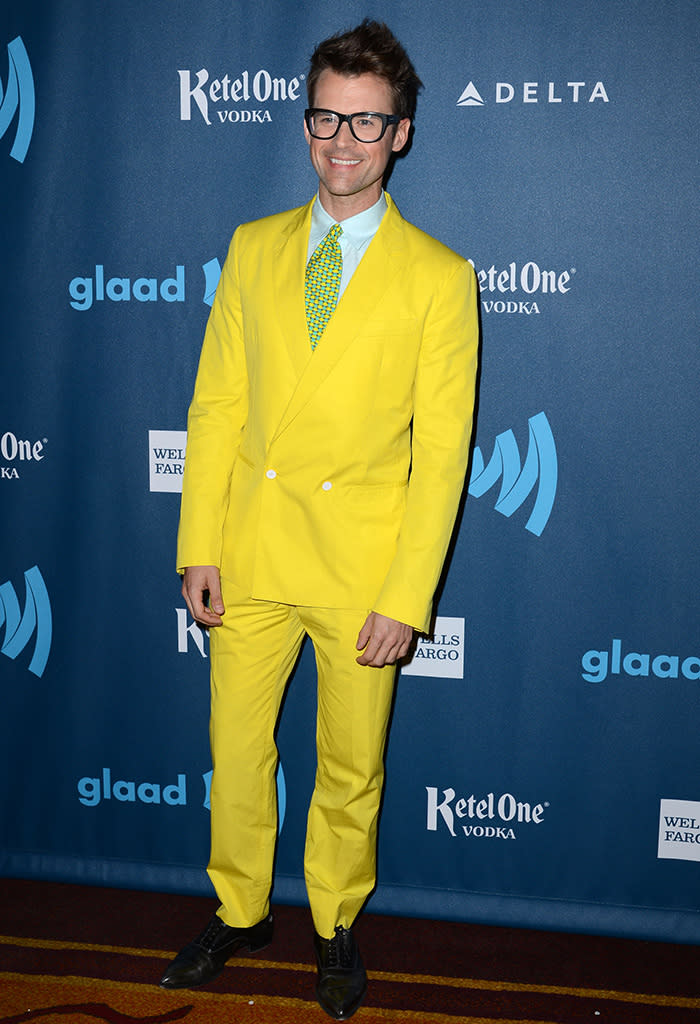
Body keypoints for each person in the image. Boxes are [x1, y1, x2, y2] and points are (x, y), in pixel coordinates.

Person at [159, 19, 479, 1020]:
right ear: (306, 123)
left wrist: (404, 595)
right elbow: (213, 406)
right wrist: (198, 543)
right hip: (249, 556)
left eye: (366, 121)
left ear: (402, 134)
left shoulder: (439, 277)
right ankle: (240, 906)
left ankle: (334, 924)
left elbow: (440, 461)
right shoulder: (252, 249)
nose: (342, 138)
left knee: (351, 765)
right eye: (326, 116)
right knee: (236, 751)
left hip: (359, 572)